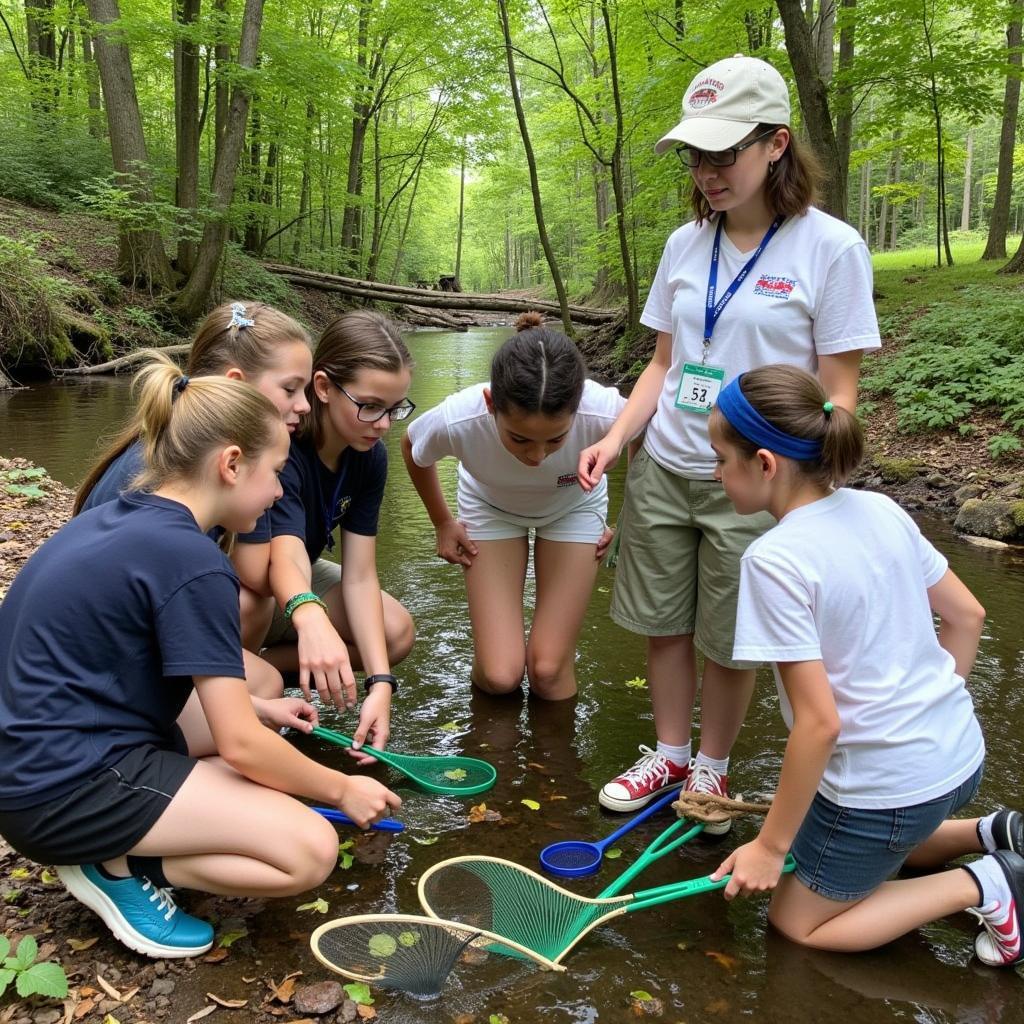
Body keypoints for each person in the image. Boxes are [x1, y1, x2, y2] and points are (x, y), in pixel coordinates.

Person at [0, 357, 401, 959]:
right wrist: (341, 789)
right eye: (274, 474)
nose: (275, 493)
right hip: (58, 791)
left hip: (27, 766)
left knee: (256, 708)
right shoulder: (195, 563)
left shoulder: (123, 514)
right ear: (231, 464)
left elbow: (126, 662)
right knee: (309, 847)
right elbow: (238, 744)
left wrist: (259, 707)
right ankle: (122, 867)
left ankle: (123, 838)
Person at [577, 54, 881, 818]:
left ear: (776, 144)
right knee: (662, 622)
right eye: (696, 155)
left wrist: (810, 482)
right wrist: (616, 440)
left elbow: (840, 390)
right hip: (667, 464)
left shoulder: (830, 247)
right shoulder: (686, 245)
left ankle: (712, 768)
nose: (707, 171)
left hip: (757, 480)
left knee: (730, 633)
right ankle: (670, 757)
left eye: (724, 153)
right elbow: (664, 363)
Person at [706, 364, 1023, 969]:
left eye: (721, 459)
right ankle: (992, 830)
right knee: (856, 835)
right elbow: (968, 616)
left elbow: (819, 724)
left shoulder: (773, 559)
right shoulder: (880, 508)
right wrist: (924, 713)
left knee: (796, 923)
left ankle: (986, 885)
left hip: (887, 791)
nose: (716, 473)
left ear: (765, 463)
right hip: (958, 755)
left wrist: (770, 848)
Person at [402, 313, 625, 700]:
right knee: (500, 675)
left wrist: (630, 522)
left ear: (578, 406)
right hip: (490, 506)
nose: (537, 456)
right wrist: (442, 522)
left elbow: (649, 444)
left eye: (556, 440)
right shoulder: (461, 417)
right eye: (520, 439)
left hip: (575, 505)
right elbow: (412, 447)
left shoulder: (604, 412)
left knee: (549, 673)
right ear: (491, 404)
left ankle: (554, 759)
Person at [75, 300, 314, 656]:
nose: (305, 405)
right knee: (255, 634)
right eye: (290, 389)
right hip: (102, 650)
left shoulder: (189, 447)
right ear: (237, 384)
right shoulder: (173, 472)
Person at [241, 310, 416, 763]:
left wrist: (381, 683)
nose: (383, 424)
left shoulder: (369, 457)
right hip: (259, 580)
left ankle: (274, 665)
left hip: (295, 578)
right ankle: (242, 677)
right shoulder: (285, 446)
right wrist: (312, 617)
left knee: (395, 632)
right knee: (254, 596)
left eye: (395, 409)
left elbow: (360, 576)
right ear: (322, 388)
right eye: (371, 406)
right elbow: (279, 557)